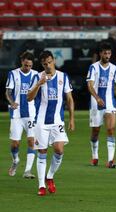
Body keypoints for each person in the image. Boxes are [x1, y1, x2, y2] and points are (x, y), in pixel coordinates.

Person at [27, 50, 75, 196]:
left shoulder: (63, 76)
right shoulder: (37, 76)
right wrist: (38, 84)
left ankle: (50, 176)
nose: (47, 65)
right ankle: (41, 186)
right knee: (42, 152)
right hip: (41, 120)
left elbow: (69, 99)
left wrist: (71, 118)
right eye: (44, 63)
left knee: (59, 150)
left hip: (57, 120)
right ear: (41, 64)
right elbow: (29, 98)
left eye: (49, 62)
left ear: (53, 60)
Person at [87, 42, 116, 168]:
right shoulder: (93, 67)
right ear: (100, 53)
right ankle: (95, 156)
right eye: (105, 53)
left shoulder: (114, 68)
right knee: (95, 132)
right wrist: (97, 98)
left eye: (109, 53)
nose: (107, 55)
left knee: (111, 129)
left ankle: (110, 161)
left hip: (110, 103)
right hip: (95, 104)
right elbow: (90, 85)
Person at [5, 52, 38, 178]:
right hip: (17, 114)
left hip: (31, 113)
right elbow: (8, 92)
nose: (28, 68)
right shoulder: (13, 74)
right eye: (26, 65)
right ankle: (15, 160)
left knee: (31, 141)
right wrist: (12, 102)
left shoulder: (36, 75)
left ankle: (27, 171)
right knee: (15, 144)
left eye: (30, 66)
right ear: (22, 61)